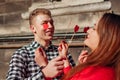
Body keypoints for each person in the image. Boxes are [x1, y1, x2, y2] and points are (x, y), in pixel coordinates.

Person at [6, 8, 75, 80]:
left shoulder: (62, 52)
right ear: (33, 29)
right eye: (44, 24)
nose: (50, 26)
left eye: (51, 22)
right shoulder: (22, 54)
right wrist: (44, 74)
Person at [61, 13, 120, 80]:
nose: (88, 31)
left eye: (94, 29)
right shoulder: (102, 69)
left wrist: (46, 73)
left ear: (107, 38)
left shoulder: (100, 74)